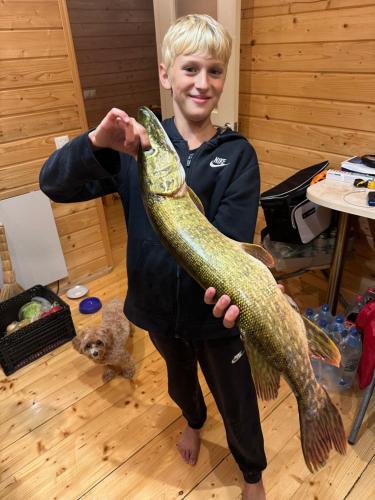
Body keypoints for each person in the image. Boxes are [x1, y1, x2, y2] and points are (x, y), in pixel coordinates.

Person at [40, 14, 268, 499]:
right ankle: (192, 420)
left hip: (214, 317)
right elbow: (53, 184)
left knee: (237, 396)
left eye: (214, 71)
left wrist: (242, 294)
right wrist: (95, 144)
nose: (202, 83)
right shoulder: (134, 148)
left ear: (224, 77)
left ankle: (251, 472)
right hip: (157, 311)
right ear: (165, 74)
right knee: (179, 379)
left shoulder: (238, 156)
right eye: (189, 69)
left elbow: (230, 241)